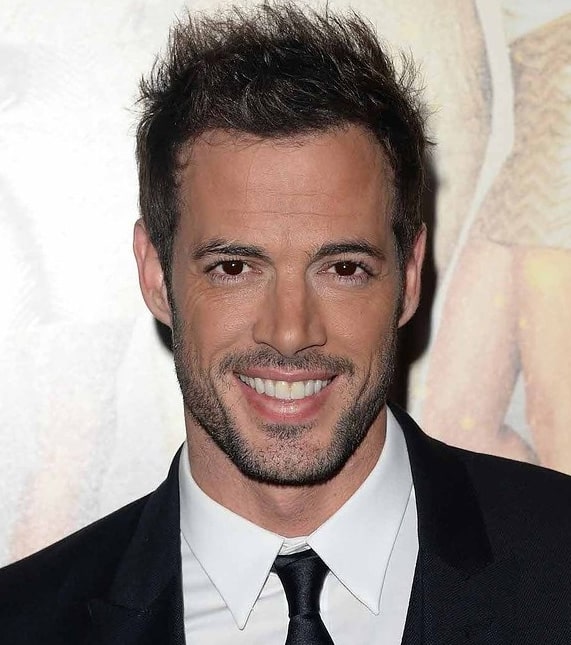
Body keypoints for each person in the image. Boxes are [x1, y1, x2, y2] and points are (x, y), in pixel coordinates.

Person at [1, 3, 571, 643]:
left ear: (410, 276)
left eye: (344, 268)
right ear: (156, 274)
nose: (291, 332)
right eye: (235, 268)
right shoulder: (25, 621)